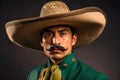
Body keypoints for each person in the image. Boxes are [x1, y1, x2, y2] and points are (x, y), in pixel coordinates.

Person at [5, 0, 109, 80]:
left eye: (62, 33)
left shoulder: (95, 78)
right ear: (41, 41)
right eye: (48, 34)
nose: (55, 41)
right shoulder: (33, 75)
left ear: (74, 39)